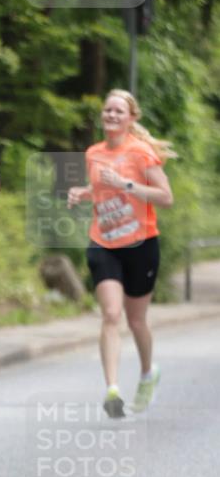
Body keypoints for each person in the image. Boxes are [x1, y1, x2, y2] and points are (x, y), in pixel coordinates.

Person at [67, 89, 175, 417]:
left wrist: (126, 184)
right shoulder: (94, 153)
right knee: (111, 314)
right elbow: (101, 191)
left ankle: (146, 373)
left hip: (141, 244)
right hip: (104, 242)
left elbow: (165, 196)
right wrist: (83, 193)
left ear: (131, 118)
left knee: (137, 319)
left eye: (118, 111)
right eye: (107, 110)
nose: (111, 116)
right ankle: (112, 388)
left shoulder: (141, 153)